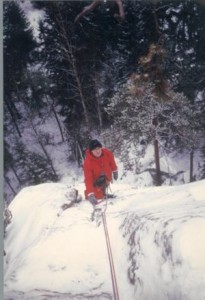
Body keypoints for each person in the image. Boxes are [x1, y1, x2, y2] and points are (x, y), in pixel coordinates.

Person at [83, 139, 118, 205]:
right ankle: (96, 194)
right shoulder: (87, 162)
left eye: (99, 148)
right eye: (95, 149)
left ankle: (103, 192)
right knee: (96, 195)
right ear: (91, 151)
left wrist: (115, 170)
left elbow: (112, 161)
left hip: (106, 177)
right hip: (95, 181)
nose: (98, 151)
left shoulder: (107, 153)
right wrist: (90, 194)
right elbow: (88, 179)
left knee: (102, 188)